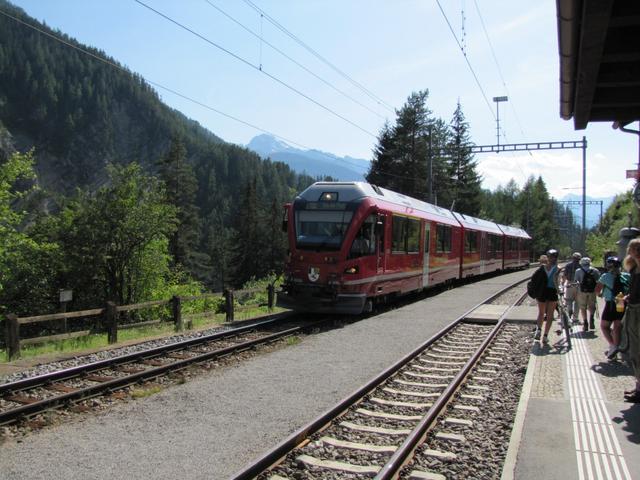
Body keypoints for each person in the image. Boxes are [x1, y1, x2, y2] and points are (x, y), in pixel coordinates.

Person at [595, 256, 630, 359]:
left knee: (604, 326)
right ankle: (615, 347)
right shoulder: (627, 276)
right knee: (617, 327)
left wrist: (600, 294)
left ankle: (612, 345)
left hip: (610, 304)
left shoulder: (605, 276)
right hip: (621, 302)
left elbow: (597, 290)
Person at [620, 239, 640, 402]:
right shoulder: (633, 269)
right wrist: (628, 297)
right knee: (634, 350)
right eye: (634, 249)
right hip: (633, 309)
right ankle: (638, 386)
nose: (637, 251)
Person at [534, 249, 560, 344]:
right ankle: (545, 336)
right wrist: (560, 291)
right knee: (550, 315)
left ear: (548, 257)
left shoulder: (542, 267)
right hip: (552, 292)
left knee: (541, 313)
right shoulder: (558, 268)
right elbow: (556, 282)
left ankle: (539, 330)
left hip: (542, 292)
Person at [574, 256, 600, 331]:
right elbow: (598, 281)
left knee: (583, 307)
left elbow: (576, 281)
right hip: (592, 291)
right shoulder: (595, 270)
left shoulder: (578, 271)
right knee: (592, 306)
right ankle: (591, 318)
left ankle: (585, 322)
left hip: (582, 291)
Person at [562, 252, 581, 322]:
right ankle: (575, 317)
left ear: (573, 258)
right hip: (578, 285)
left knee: (568, 300)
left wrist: (563, 283)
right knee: (577, 301)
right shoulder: (581, 266)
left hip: (569, 283)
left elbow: (564, 275)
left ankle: (569, 310)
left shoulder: (568, 265)